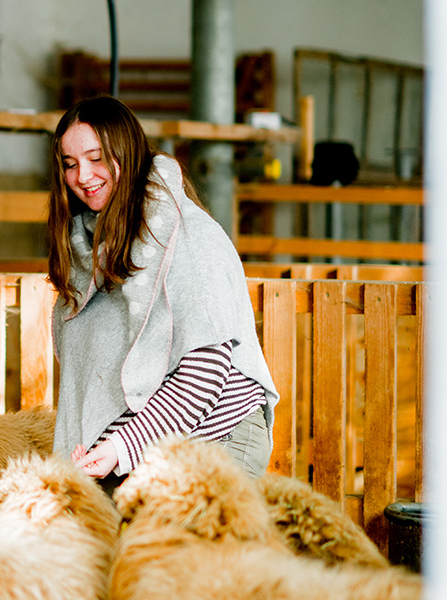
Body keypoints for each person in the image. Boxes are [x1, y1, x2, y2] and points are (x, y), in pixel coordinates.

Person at [46, 96, 279, 491]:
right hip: (145, 450)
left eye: (97, 158)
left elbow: (206, 368)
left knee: (172, 553)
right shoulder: (90, 249)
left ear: (129, 154)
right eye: (70, 164)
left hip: (216, 440)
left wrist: (123, 445)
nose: (83, 175)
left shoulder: (188, 237)